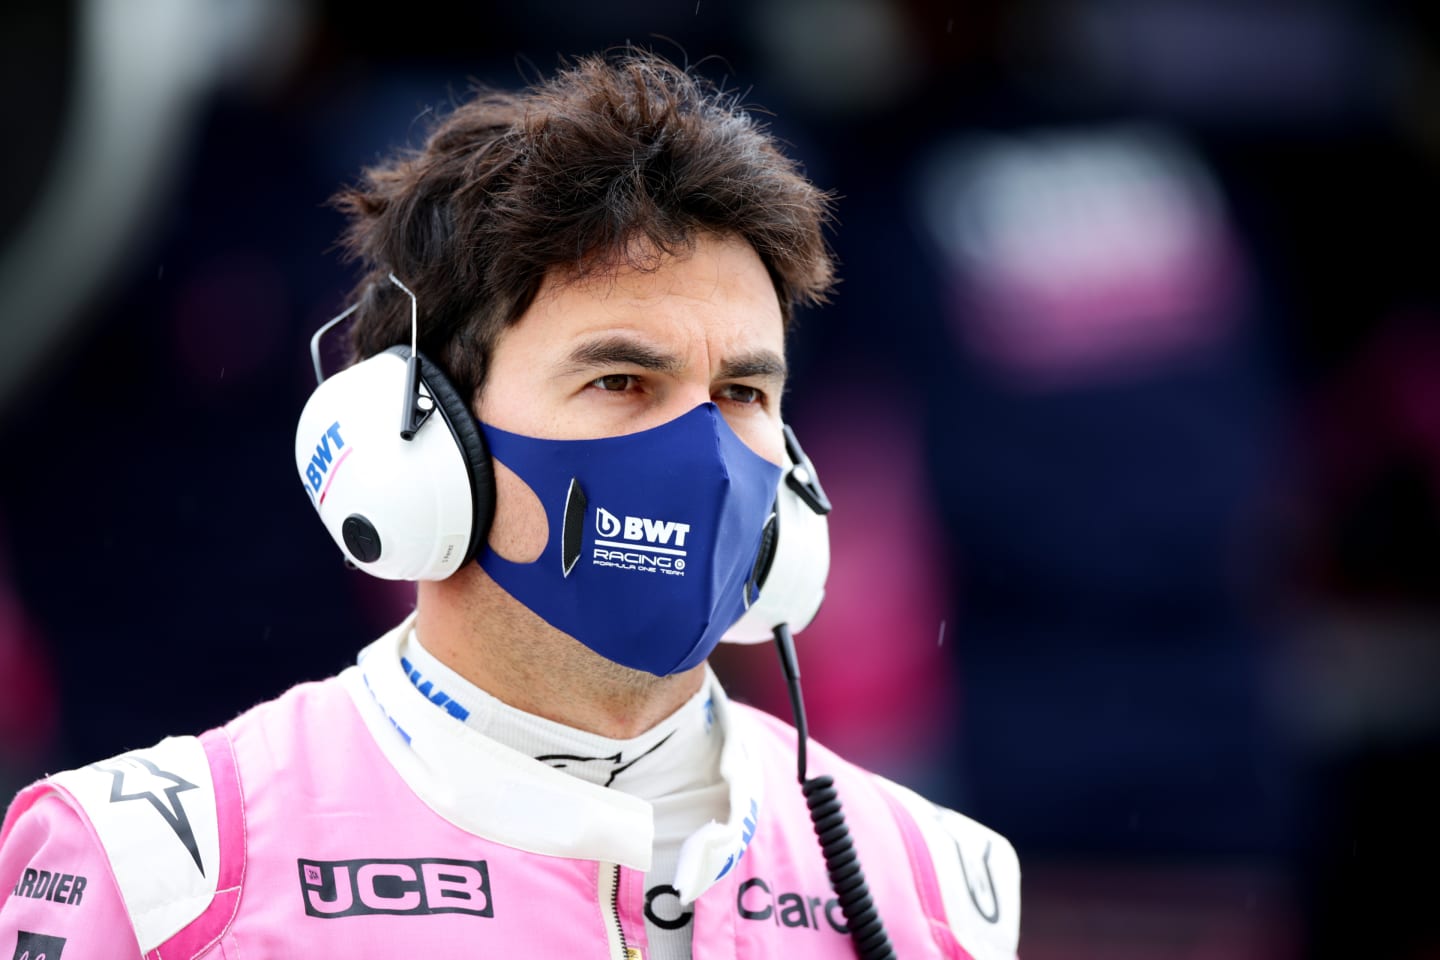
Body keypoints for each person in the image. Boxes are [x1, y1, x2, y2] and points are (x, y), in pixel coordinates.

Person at [0, 51, 1020, 959]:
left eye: (745, 393)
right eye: (622, 380)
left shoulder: (934, 885)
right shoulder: (155, 868)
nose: (704, 452)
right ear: (420, 450)